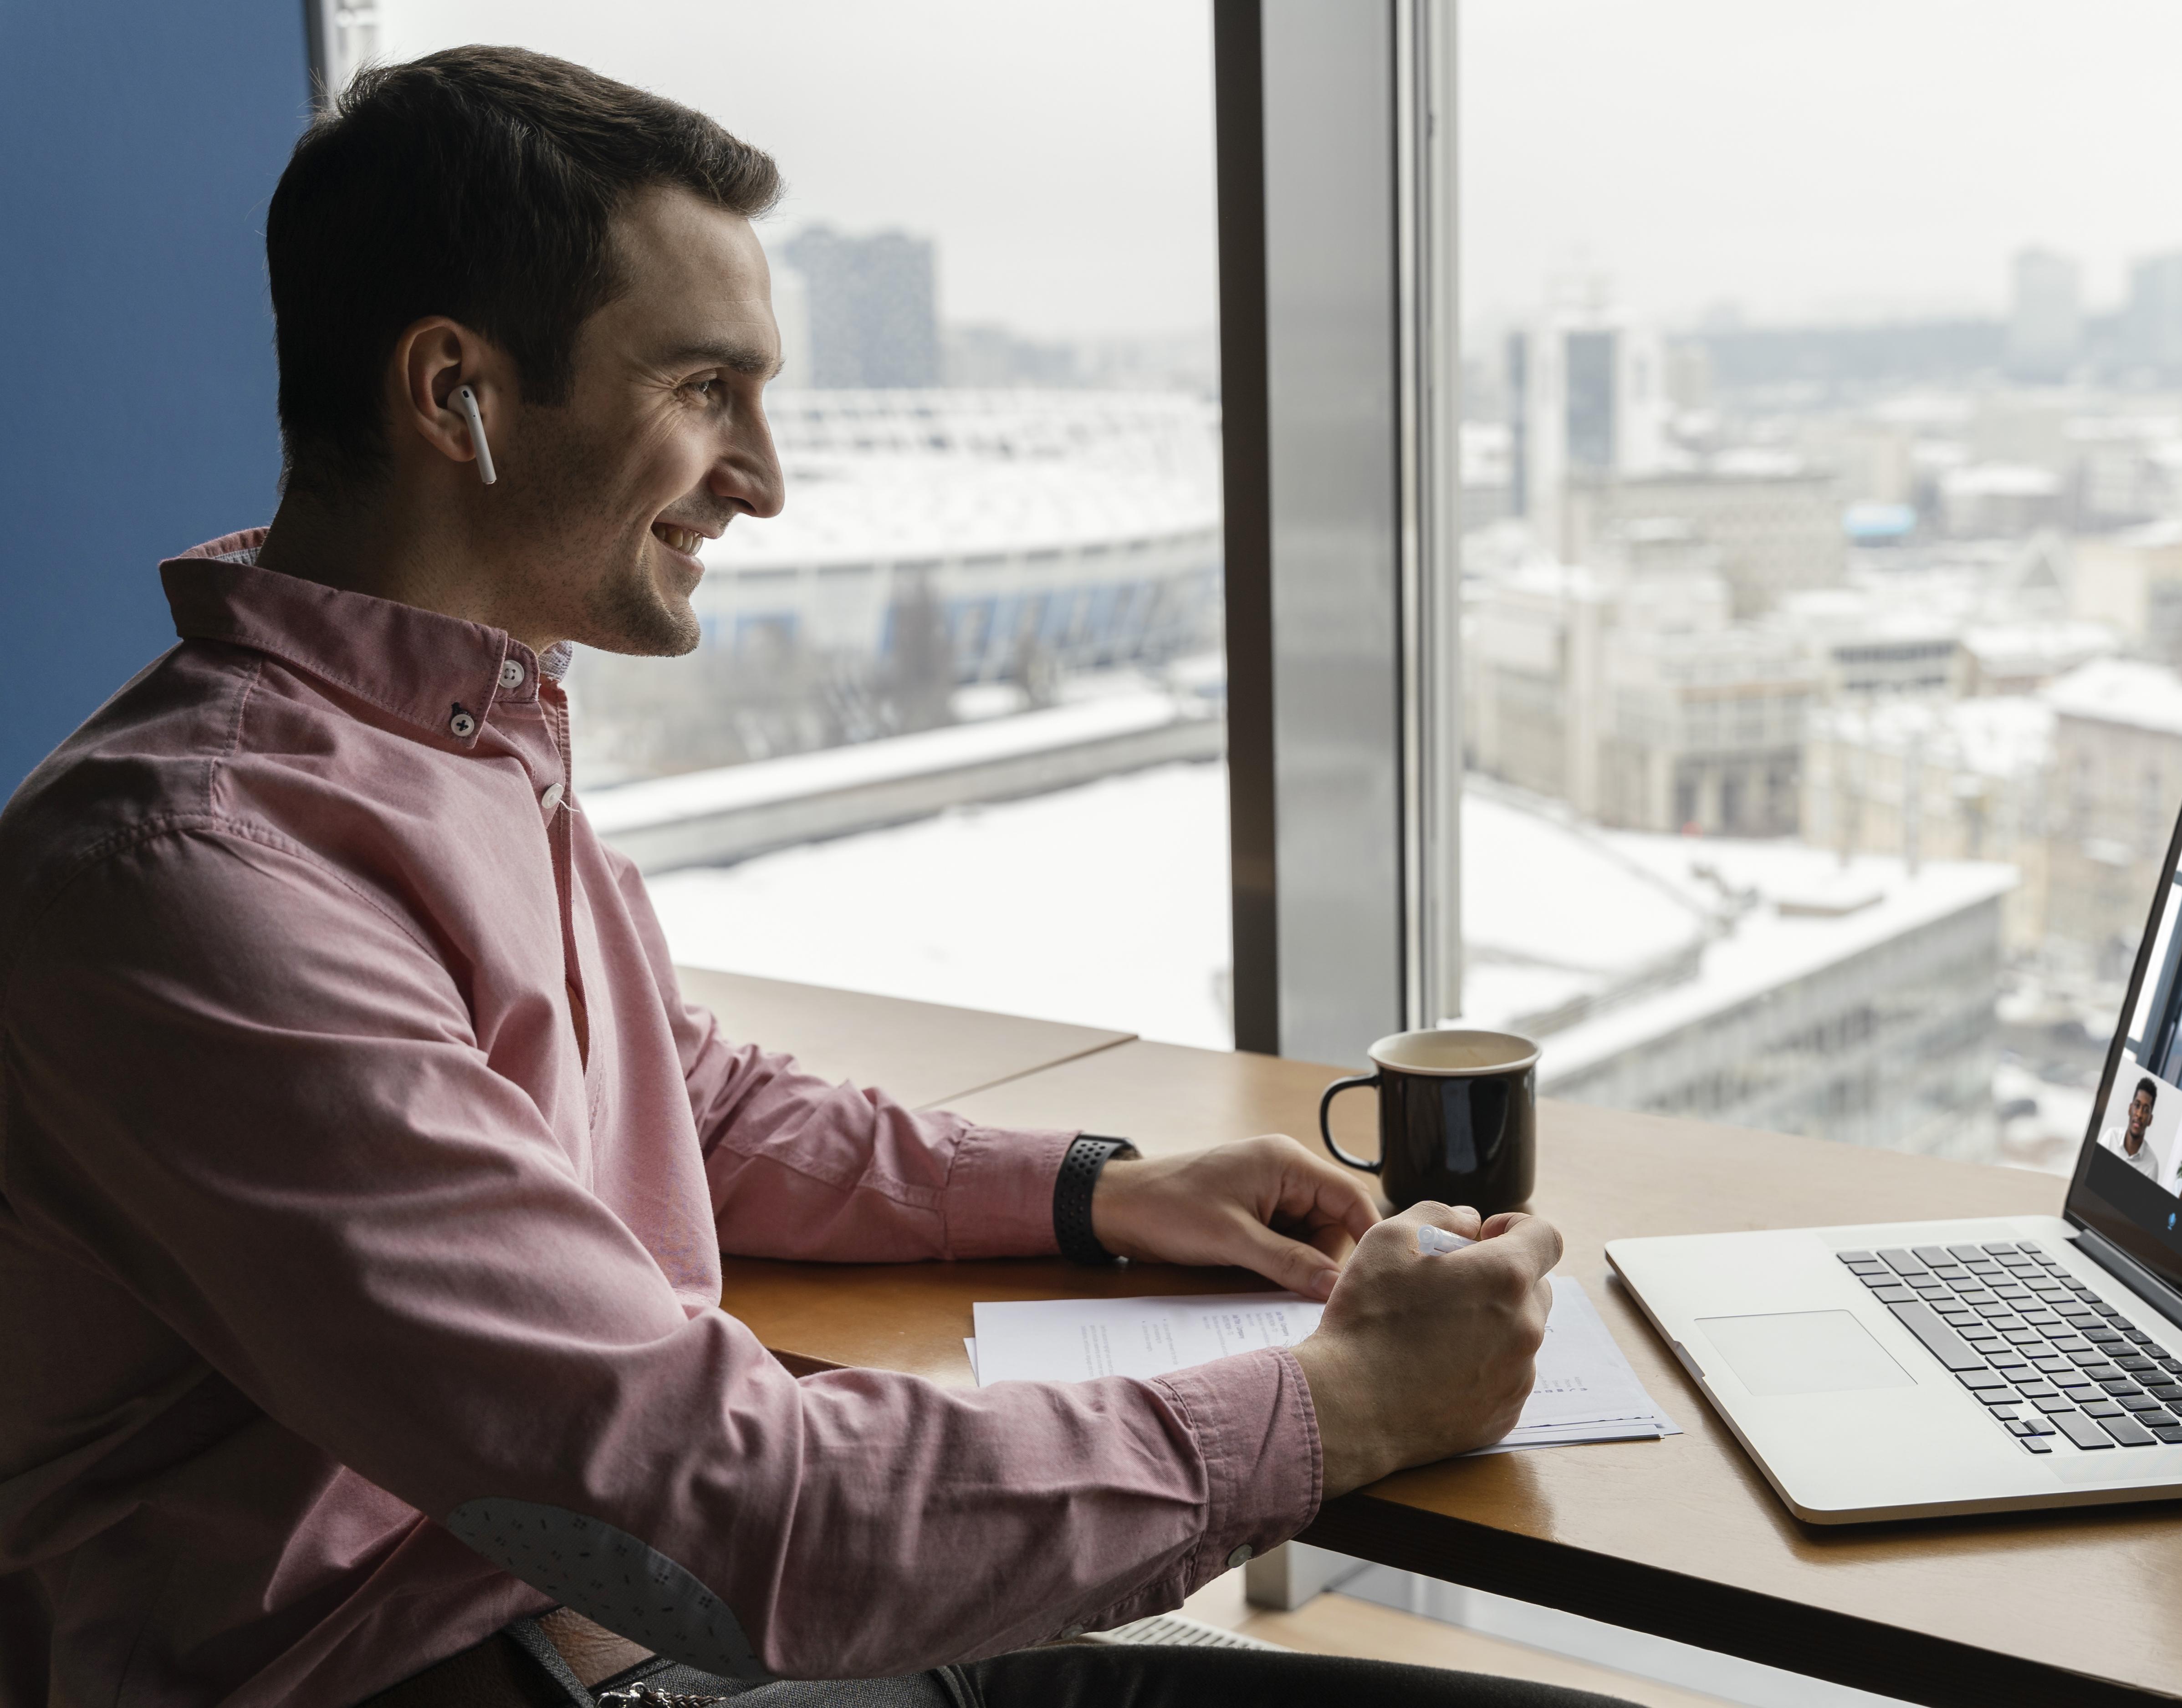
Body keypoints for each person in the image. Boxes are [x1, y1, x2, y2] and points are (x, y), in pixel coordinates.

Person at [0, 49, 1618, 1708]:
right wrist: (1344, 1404)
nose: (764, 477)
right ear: (451, 395)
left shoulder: (461, 747)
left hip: (671, 1647)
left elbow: (684, 1103)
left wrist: (1094, 1188)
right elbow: (748, 1514)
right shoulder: (195, 882)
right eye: (705, 391)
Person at [2098, 1076, 2167, 1185]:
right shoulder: (2111, 1137)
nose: (2139, 1114)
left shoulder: (2152, 1165)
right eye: (2137, 1106)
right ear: (2130, 1109)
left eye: (2146, 1110)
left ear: (2150, 1120)